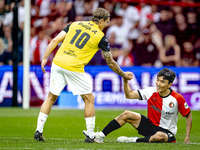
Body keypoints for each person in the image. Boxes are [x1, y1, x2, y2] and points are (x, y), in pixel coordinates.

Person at [34, 7, 133, 143]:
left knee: (51, 97)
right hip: (73, 67)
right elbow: (110, 61)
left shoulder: (74, 24)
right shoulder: (100, 37)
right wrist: (123, 74)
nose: (106, 25)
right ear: (101, 21)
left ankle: (39, 130)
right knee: (89, 99)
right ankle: (91, 134)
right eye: (106, 22)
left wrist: (45, 58)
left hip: (58, 62)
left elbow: (54, 41)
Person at [84, 68, 192, 143]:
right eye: (157, 80)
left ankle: (132, 140)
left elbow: (188, 115)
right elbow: (129, 95)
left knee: (160, 136)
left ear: (169, 85)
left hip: (166, 132)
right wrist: (125, 81)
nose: (158, 83)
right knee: (126, 114)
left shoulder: (177, 98)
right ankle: (100, 136)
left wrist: (187, 137)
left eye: (162, 82)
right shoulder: (151, 91)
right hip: (150, 126)